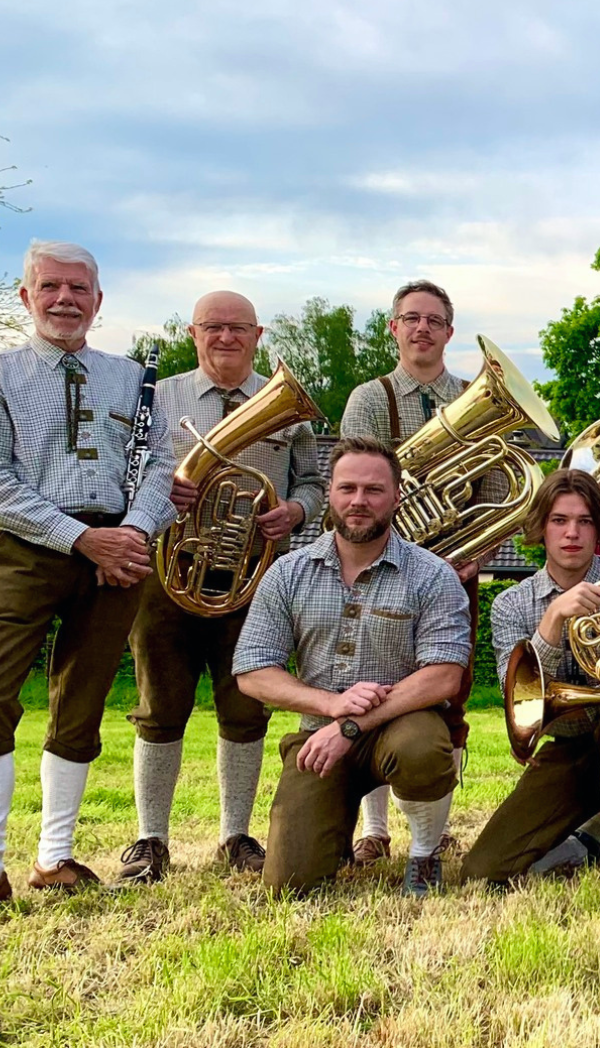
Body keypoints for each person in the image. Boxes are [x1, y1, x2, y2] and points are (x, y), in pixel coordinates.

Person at [0, 241, 177, 917]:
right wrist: (82, 538)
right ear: (26, 296)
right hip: (26, 550)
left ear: (98, 300)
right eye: (50, 287)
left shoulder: (132, 378)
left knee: (83, 700)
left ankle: (54, 858)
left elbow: (160, 468)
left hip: (119, 552)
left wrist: (133, 532)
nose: (65, 299)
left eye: (78, 289)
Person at [115, 291, 324, 886]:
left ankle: (235, 835)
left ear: (258, 334)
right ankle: (150, 839)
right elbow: (125, 472)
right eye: (213, 327)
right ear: (193, 332)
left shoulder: (290, 405)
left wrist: (296, 513)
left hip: (255, 578)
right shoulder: (158, 399)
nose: (225, 337)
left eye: (238, 328)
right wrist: (155, 498)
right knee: (160, 706)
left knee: (246, 706)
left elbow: (313, 481)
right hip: (166, 573)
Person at [230, 438, 472, 896]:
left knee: (424, 750)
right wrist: (331, 704)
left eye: (374, 490)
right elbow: (252, 671)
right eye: (348, 488)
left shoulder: (432, 574)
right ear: (331, 494)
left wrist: (350, 724)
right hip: (319, 737)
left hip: (402, 727)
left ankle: (423, 855)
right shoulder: (287, 573)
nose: (359, 501)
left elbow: (444, 675)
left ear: (397, 496)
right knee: (289, 886)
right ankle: (332, 833)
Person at [462, 469, 600, 886]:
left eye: (584, 521)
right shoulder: (511, 604)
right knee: (484, 872)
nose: (571, 533)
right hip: (570, 747)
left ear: (599, 529)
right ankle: (591, 841)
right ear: (541, 528)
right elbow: (518, 699)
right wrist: (553, 620)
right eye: (559, 521)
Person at [336, 279, 477, 865]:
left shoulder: (473, 394)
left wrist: (474, 554)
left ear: (449, 330)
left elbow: (499, 487)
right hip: (382, 563)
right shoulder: (370, 396)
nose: (422, 329)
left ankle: (432, 821)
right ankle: (374, 829)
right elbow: (354, 486)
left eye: (435, 320)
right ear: (393, 328)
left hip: (453, 566)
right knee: (370, 683)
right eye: (411, 319)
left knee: (449, 701)